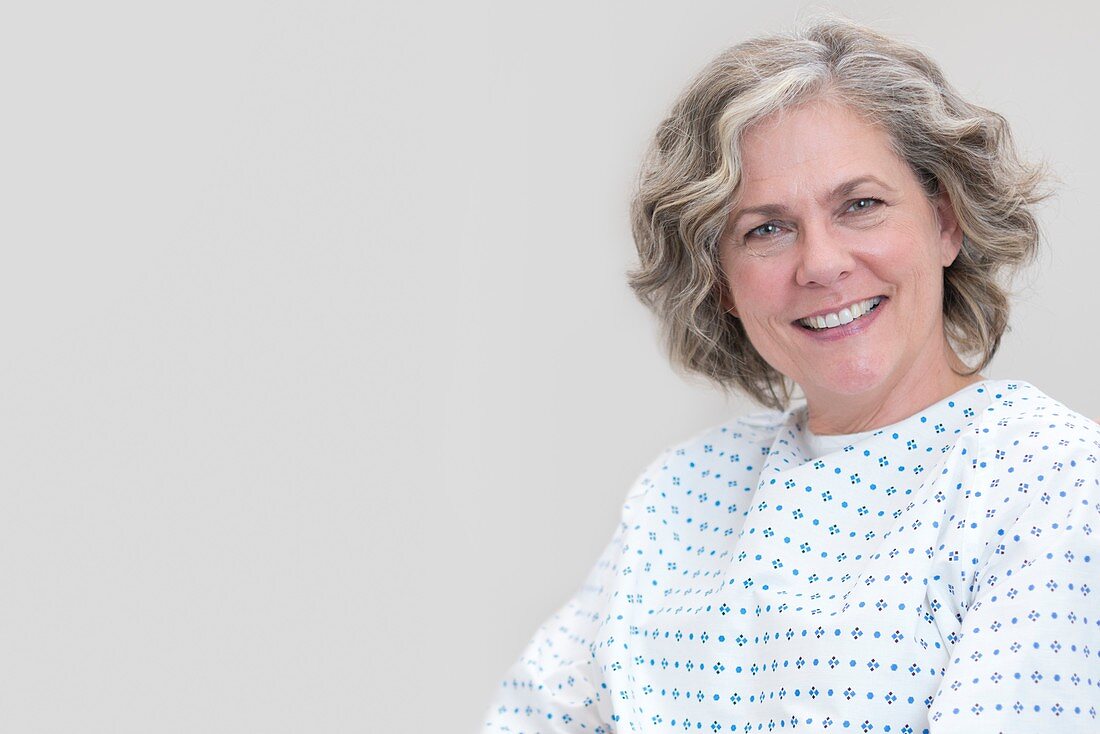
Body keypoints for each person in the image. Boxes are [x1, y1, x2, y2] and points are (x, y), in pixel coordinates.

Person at [482, 15, 1100, 733]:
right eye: (766, 229)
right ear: (719, 281)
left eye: (860, 206)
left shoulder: (1049, 483)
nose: (822, 263)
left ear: (945, 223)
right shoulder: (683, 491)